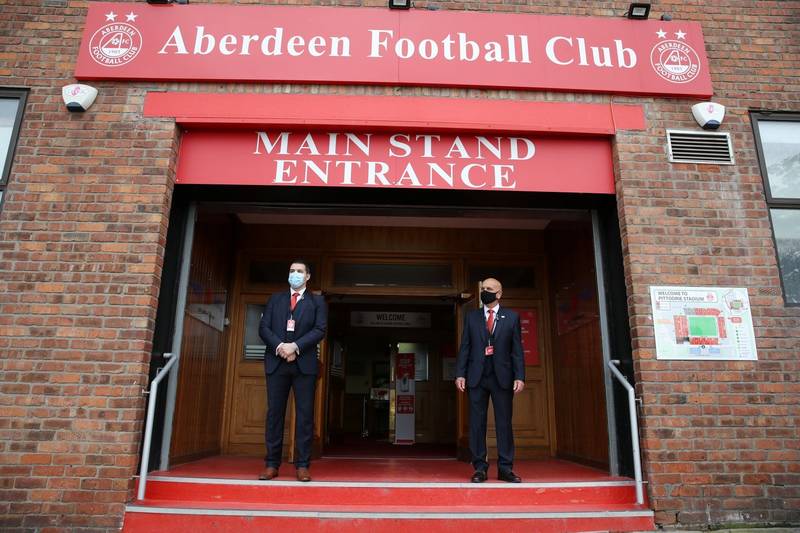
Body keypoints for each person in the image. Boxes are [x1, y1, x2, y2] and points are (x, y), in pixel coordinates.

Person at [258, 260, 327, 482]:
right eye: (291, 271)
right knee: (274, 415)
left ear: (307, 276)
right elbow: (264, 328)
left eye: (299, 271)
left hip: (303, 365)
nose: (295, 274)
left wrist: (295, 347)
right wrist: (281, 347)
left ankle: (303, 465)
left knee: (305, 416)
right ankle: (271, 464)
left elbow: (320, 329)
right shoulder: (275, 299)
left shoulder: (317, 302)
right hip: (277, 363)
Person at [455, 277, 525, 483]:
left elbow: (517, 351)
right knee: (477, 423)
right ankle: (479, 468)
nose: (485, 291)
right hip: (476, 377)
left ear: (499, 294)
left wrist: (520, 376)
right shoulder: (472, 317)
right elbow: (465, 347)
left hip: (502, 378)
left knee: (504, 423)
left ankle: (505, 468)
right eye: (483, 288)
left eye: (490, 289)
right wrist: (460, 373)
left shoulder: (511, 317)